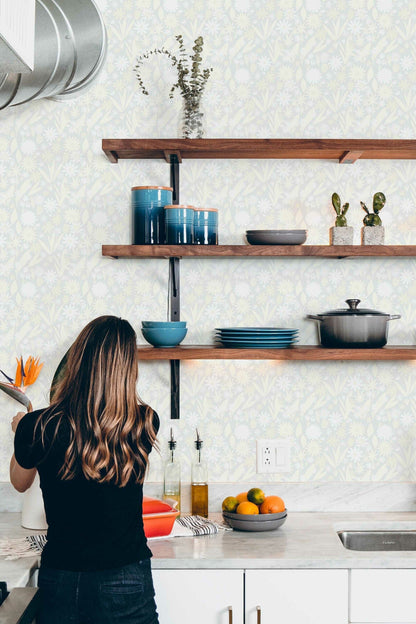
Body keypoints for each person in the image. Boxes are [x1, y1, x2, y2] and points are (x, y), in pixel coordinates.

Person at [10, 315, 160, 624]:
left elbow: (19, 482)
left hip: (62, 576)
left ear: (77, 360)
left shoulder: (38, 425)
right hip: (125, 574)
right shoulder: (144, 422)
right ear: (128, 369)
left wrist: (21, 433)